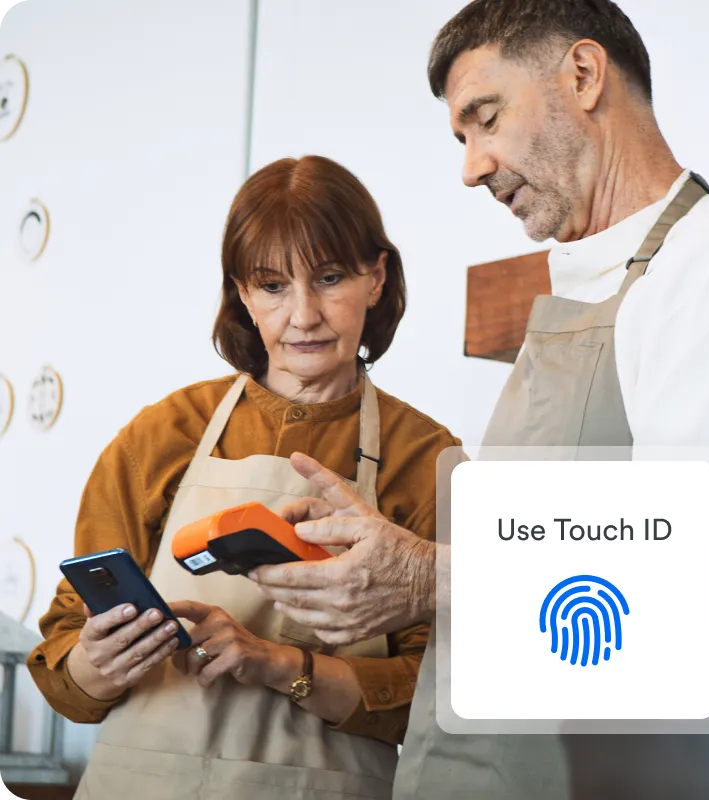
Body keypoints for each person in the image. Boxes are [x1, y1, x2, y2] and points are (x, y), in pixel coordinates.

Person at [248, 1, 709, 797]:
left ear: (582, 75)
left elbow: (693, 578)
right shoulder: (587, 286)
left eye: (486, 118)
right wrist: (395, 557)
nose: (472, 167)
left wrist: (428, 576)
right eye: (462, 137)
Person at [27, 155, 461, 800]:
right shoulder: (161, 435)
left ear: (377, 278)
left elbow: (443, 697)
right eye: (273, 286)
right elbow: (66, 676)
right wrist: (101, 659)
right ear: (242, 293)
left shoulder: (426, 458)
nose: (304, 315)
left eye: (331, 277)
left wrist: (283, 665)